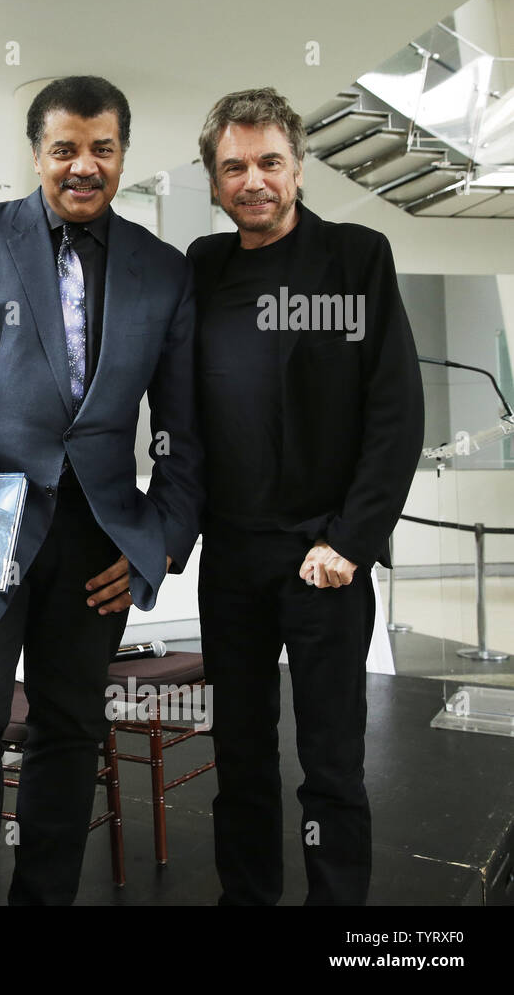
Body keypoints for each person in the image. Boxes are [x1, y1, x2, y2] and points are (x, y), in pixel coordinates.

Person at [0, 76, 203, 905]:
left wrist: (161, 541)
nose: (83, 166)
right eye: (65, 148)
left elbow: (183, 429)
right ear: (37, 154)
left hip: (99, 535)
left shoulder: (164, 272)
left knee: (71, 730)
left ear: (123, 155)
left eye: (102, 149)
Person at [187, 86, 425, 905]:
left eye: (269, 162)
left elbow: (395, 417)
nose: (253, 180)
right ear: (214, 179)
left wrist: (352, 542)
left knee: (331, 764)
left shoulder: (357, 256)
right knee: (241, 758)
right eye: (234, 167)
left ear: (298, 166)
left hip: (326, 555)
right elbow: (181, 413)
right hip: (232, 560)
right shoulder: (203, 266)